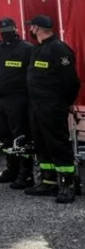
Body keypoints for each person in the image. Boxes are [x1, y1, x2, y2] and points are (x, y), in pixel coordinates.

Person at [24, 15, 81, 204]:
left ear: (37, 28)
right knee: (41, 143)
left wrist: (64, 102)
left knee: (57, 143)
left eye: (31, 27)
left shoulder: (59, 49)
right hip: (37, 106)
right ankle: (48, 181)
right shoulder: (37, 49)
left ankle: (67, 184)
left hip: (53, 106)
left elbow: (71, 81)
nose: (30, 30)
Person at [0, 18, 35, 188]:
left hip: (18, 99)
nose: (6, 34)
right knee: (4, 135)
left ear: (16, 29)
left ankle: (26, 174)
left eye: (9, 30)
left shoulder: (27, 49)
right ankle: (11, 169)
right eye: (3, 31)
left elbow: (32, 76)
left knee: (20, 136)